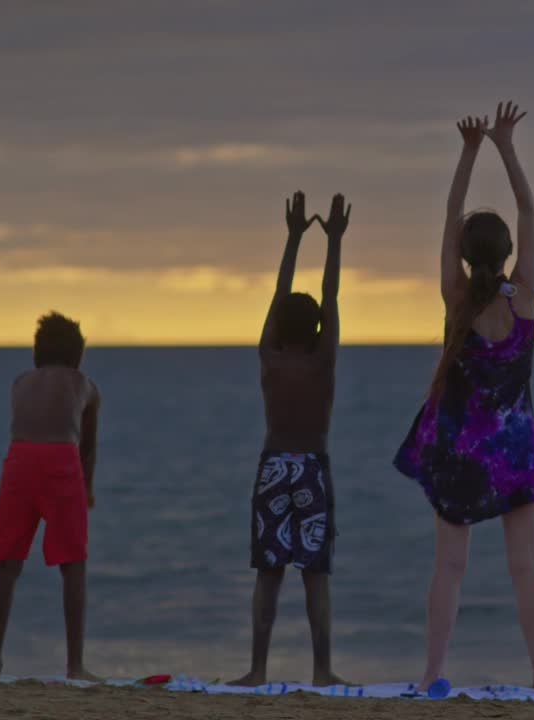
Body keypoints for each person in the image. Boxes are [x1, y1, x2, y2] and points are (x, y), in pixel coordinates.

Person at [393, 102, 534, 695]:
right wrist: (506, 146)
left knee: (449, 569)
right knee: (525, 571)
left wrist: (468, 152)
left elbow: (448, 214)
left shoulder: (455, 297)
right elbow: (531, 208)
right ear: (509, 250)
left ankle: (432, 673)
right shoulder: (525, 297)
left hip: (460, 451)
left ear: (463, 254)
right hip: (516, 449)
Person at [228, 190, 351, 688]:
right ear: (320, 329)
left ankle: (258, 669)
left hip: (274, 466)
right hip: (312, 469)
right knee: (314, 575)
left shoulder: (270, 360)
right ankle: (322, 670)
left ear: (278, 328)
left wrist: (293, 238)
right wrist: (334, 242)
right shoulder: (324, 362)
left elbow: (278, 299)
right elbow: (332, 296)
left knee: (269, 574)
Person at [0, 311, 103, 682]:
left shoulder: (20, 382)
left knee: (7, 563)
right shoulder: (84, 385)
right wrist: (88, 488)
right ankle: (75, 665)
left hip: (19, 462)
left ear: (37, 350)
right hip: (61, 463)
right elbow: (88, 448)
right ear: (77, 353)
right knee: (73, 565)